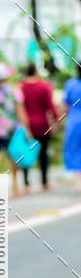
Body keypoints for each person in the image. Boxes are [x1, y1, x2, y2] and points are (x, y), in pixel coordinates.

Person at [0, 62, 29, 195]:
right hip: (10, 130)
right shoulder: (14, 91)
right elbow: (21, 112)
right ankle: (15, 186)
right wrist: (27, 129)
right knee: (13, 159)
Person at [19, 63, 58, 189]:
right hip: (42, 125)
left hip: (26, 125)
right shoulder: (44, 86)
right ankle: (44, 181)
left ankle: (26, 182)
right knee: (43, 153)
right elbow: (50, 106)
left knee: (26, 152)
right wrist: (56, 119)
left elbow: (18, 106)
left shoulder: (21, 87)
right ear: (36, 72)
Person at [62, 62, 81, 191]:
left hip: (74, 121)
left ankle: (78, 182)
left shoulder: (70, 84)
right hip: (74, 120)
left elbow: (65, 105)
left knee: (74, 150)